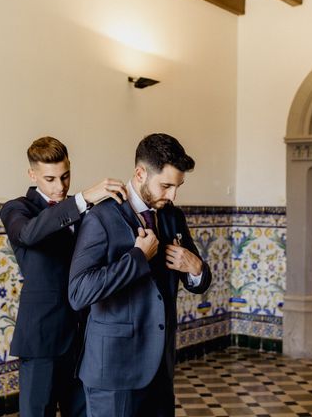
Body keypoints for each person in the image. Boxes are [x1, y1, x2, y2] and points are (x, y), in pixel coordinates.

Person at [68, 133, 212, 417]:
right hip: (113, 371)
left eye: (177, 186)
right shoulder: (101, 218)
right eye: (166, 185)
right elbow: (79, 292)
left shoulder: (172, 216)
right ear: (140, 173)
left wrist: (196, 268)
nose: (172, 196)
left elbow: (196, 278)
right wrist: (137, 258)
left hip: (160, 367)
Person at [1, 136, 127, 417]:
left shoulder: (85, 211)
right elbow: (29, 234)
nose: (60, 187)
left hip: (84, 337)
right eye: (50, 179)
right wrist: (83, 198)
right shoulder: (17, 209)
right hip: (42, 338)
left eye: (66, 176)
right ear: (32, 175)